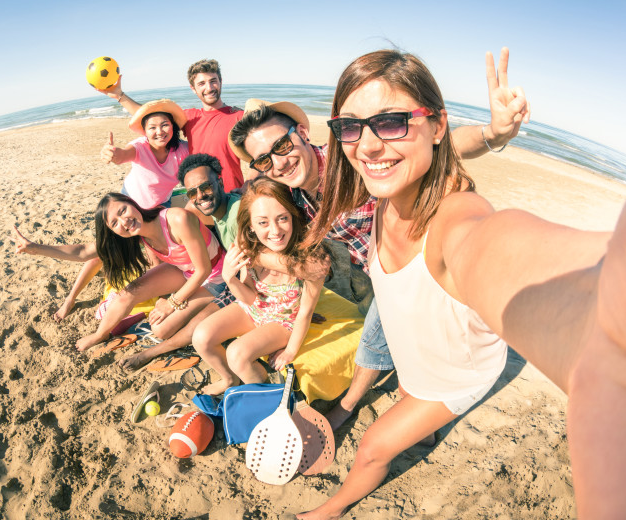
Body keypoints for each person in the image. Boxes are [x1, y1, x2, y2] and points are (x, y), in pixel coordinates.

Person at [296, 48, 626, 519]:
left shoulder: (455, 220)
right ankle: (423, 428)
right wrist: (492, 134)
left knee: (372, 446)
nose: (366, 146)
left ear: (437, 124)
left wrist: (620, 317)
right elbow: (448, 147)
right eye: (350, 126)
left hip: (457, 372)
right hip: (420, 357)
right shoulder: (387, 189)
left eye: (389, 122)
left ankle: (332, 509)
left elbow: (503, 256)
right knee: (410, 398)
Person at [227, 47, 529, 428]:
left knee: (379, 335)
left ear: (302, 133)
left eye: (282, 146)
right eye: (264, 160)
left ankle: (350, 405)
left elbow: (439, 147)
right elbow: (258, 232)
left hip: (399, 265)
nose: (279, 162)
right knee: (395, 337)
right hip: (357, 271)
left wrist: (492, 134)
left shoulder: (350, 157)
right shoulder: (287, 192)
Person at [24, 100, 191, 322]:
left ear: (173, 126)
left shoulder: (182, 151)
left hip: (158, 209)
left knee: (156, 256)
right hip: (127, 209)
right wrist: (113, 154)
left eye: (164, 125)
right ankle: (70, 299)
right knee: (101, 253)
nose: (159, 131)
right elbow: (123, 155)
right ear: (145, 131)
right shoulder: (141, 146)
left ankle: (155, 298)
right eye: (152, 127)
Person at [13, 193, 225, 352]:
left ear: (132, 203)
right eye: (114, 223)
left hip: (214, 274)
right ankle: (99, 335)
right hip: (184, 270)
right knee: (127, 293)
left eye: (123, 210)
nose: (124, 221)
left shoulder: (176, 219)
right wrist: (35, 248)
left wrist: (172, 302)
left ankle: (205, 308)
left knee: (161, 330)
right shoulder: (135, 233)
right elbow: (83, 251)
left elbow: (204, 269)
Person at [191, 177, 329, 395]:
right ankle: (229, 379)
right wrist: (230, 279)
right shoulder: (247, 245)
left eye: (282, 218)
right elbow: (250, 298)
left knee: (237, 353)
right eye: (263, 222)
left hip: (285, 321)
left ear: (293, 216)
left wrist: (290, 351)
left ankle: (265, 390)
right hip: (255, 309)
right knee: (201, 336)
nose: (275, 231)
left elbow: (305, 312)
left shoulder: (310, 257)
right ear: (251, 226)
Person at [118, 153, 242, 369]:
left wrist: (172, 302)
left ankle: (151, 353)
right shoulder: (209, 210)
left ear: (219, 182)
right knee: (162, 328)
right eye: (192, 192)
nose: (200, 195)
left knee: (198, 324)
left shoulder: (238, 214)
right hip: (221, 275)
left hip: (236, 283)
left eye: (206, 187)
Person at [98, 59, 245, 191]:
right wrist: (119, 95)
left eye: (213, 81)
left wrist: (248, 185)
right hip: (200, 195)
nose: (209, 87)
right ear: (193, 89)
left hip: (232, 194)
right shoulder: (191, 117)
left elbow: (257, 156)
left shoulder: (239, 117)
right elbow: (150, 115)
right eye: (201, 83)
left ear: (220, 81)